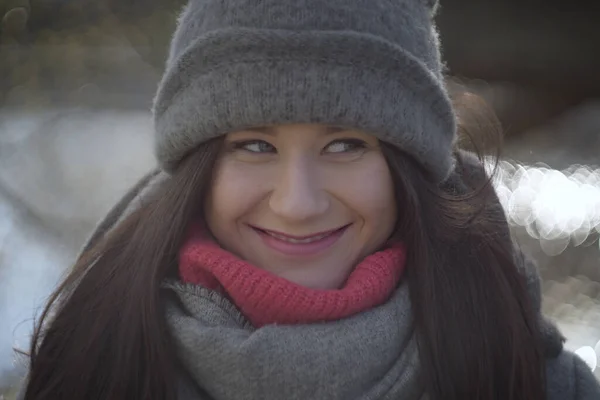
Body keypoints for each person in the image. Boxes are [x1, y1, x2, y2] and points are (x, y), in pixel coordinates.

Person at [17, 0, 600, 399]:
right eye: (254, 145)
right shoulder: (88, 360)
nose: (297, 203)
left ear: (409, 167)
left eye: (346, 144)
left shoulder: (533, 379)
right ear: (197, 168)